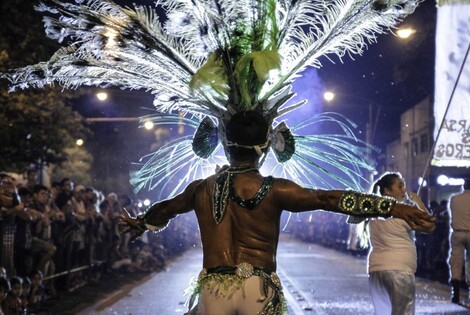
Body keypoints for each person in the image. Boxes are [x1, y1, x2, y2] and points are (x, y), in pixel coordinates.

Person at [120, 111, 435, 315]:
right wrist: (394, 207)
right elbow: (330, 199)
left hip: (213, 290)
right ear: (266, 147)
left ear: (225, 147)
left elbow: (165, 210)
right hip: (259, 290)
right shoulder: (275, 189)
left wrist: (141, 222)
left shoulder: (200, 189)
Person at [366, 172, 429, 315]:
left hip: (376, 271)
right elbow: (428, 224)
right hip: (399, 271)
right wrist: (418, 202)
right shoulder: (402, 213)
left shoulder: (373, 212)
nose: (404, 190)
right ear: (387, 191)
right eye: (400, 186)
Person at [448, 178, 470, 304]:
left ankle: (455, 294)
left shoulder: (454, 198)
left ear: (464, 186)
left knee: (456, 261)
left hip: (458, 232)